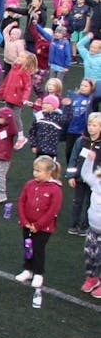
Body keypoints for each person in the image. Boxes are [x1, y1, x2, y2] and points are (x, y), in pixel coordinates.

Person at [15, 156, 63, 309]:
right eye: (34, 170)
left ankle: (38, 273)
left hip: (43, 228)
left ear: (49, 172)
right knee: (27, 246)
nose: (35, 173)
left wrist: (38, 225)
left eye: (39, 171)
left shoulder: (55, 190)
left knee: (38, 248)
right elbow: (21, 201)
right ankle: (27, 269)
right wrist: (24, 221)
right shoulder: (29, 184)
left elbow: (52, 211)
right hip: (28, 225)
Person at [65, 112, 101, 236]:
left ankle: (86, 226)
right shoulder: (81, 141)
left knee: (90, 203)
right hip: (79, 178)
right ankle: (74, 224)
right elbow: (73, 158)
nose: (91, 127)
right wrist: (71, 176)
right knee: (77, 202)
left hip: (94, 182)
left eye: (95, 125)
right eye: (90, 125)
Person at [78, 153, 101, 299]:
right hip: (93, 229)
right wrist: (89, 159)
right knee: (89, 254)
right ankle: (92, 277)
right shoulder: (96, 182)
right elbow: (85, 174)